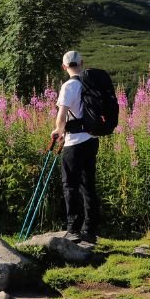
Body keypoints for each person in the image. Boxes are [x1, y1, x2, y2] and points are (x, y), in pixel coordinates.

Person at [53, 50, 99, 245]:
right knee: (88, 185)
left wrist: (57, 131)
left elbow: (62, 115)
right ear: (82, 63)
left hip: (74, 143)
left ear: (64, 67)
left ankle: (73, 229)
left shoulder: (69, 86)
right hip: (92, 139)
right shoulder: (91, 84)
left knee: (70, 185)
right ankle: (90, 230)